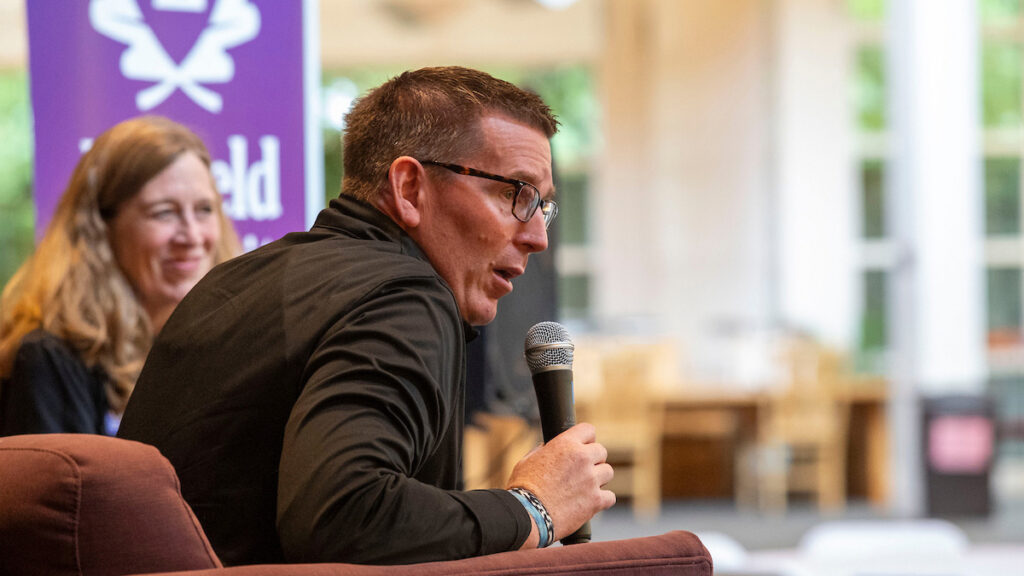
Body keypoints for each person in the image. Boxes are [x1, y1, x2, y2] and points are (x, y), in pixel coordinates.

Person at [117, 66, 614, 566]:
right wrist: (533, 508)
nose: (538, 237)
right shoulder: (405, 294)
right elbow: (345, 515)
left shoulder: (231, 282)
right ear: (409, 188)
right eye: (516, 194)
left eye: (543, 206)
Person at [0, 116, 240, 436]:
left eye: (205, 210)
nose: (193, 236)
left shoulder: (228, 349)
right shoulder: (50, 358)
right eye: (164, 213)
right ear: (101, 227)